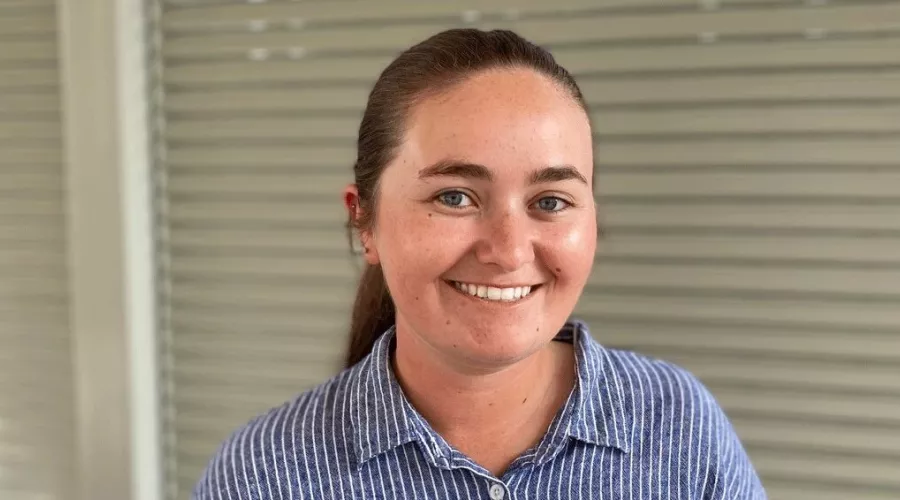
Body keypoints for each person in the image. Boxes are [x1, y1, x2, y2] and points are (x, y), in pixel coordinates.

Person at [192, 28, 766, 499]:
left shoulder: (680, 429)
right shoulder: (261, 476)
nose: (510, 251)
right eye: (455, 197)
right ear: (364, 221)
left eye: (550, 202)